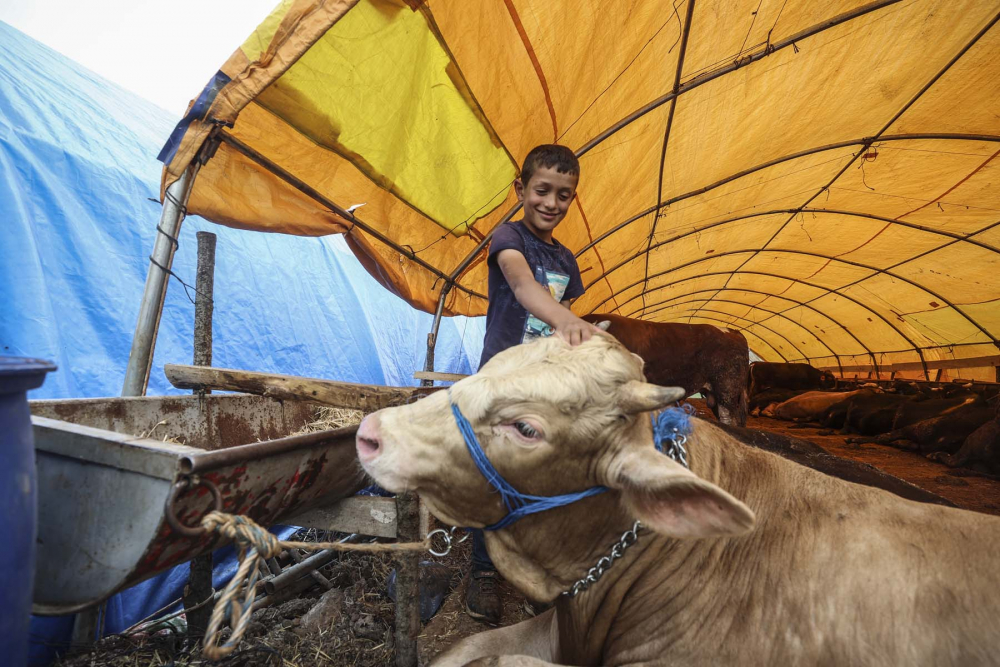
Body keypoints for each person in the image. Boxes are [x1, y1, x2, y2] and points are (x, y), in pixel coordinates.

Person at [466, 144, 599, 624]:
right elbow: (524, 289)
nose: (551, 203)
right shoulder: (509, 237)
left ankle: (534, 569)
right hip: (502, 380)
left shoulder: (566, 257)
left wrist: (584, 338)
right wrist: (570, 324)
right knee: (493, 473)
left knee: (542, 472)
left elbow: (564, 310)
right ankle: (483, 571)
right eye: (542, 190)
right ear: (521, 189)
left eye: (564, 195)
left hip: (541, 390)